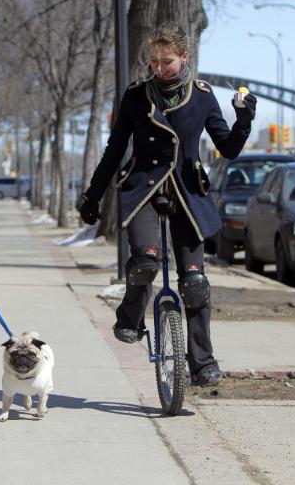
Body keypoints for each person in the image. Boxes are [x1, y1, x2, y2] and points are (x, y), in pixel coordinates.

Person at [80, 22, 257, 387]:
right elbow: (115, 151)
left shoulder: (203, 96)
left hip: (188, 192)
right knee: (144, 261)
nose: (158, 69)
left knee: (194, 282)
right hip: (144, 187)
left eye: (167, 62)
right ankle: (130, 316)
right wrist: (92, 195)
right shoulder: (136, 96)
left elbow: (229, 148)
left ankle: (202, 362)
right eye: (154, 61)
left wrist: (243, 121)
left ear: (184, 58)